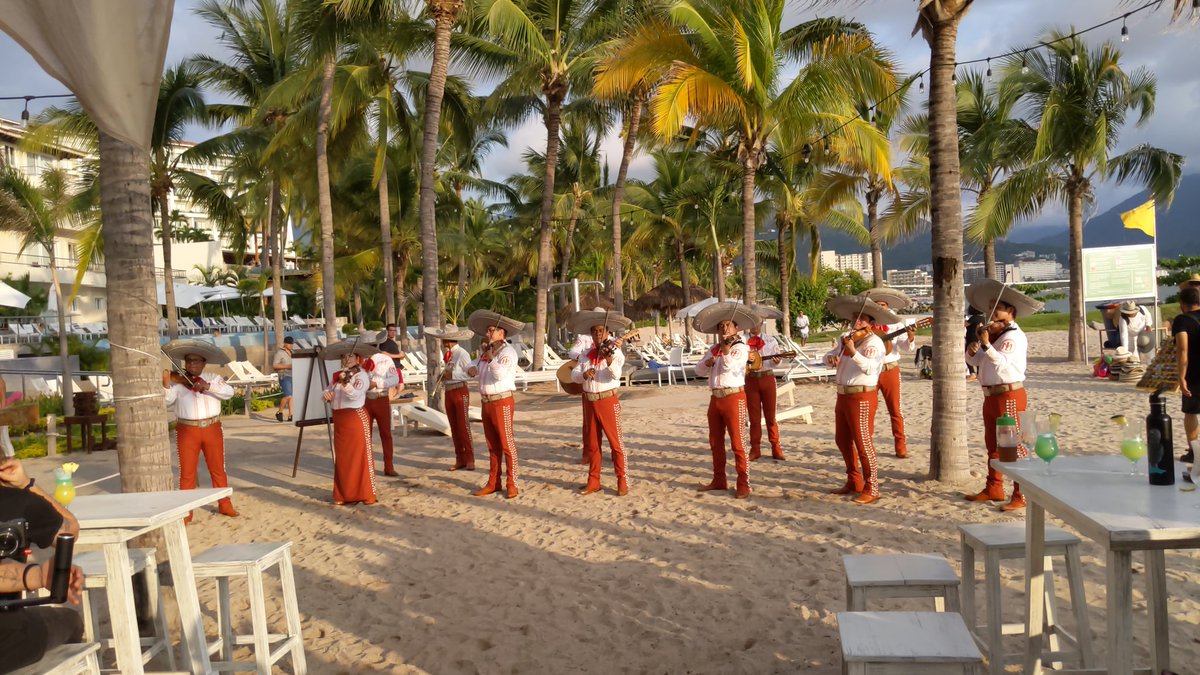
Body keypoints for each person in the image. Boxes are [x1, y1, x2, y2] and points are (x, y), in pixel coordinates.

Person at [963, 279, 1044, 512]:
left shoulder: (1013, 337)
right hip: (991, 395)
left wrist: (987, 346)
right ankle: (994, 487)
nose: (991, 314)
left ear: (1010, 312)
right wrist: (971, 351)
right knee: (993, 445)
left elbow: (1002, 365)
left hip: (1008, 394)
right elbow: (979, 362)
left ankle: (1021, 493)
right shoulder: (997, 336)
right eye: (989, 309)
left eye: (995, 309)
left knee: (1014, 446)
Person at [0, 458, 85, 673]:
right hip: (8, 637)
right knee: (72, 621)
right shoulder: (20, 501)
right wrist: (27, 484)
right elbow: (70, 530)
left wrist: (35, 575)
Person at [823, 296, 894, 505]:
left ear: (871, 323)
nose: (857, 322)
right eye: (855, 318)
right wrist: (831, 358)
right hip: (842, 393)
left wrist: (853, 351)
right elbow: (829, 355)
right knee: (842, 439)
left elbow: (871, 368)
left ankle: (872, 487)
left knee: (863, 442)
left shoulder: (874, 342)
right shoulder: (846, 337)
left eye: (862, 319)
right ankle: (853, 480)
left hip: (862, 394)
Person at [162, 341, 237, 522]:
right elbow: (167, 402)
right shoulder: (179, 382)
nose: (191, 365)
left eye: (196, 361)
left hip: (212, 427)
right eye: (188, 362)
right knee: (187, 472)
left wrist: (208, 387)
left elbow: (229, 392)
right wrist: (165, 385)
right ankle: (187, 512)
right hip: (187, 429)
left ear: (204, 363)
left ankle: (225, 505)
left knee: (218, 469)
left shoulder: (213, 377)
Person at [693, 302, 757, 499]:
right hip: (716, 397)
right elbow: (698, 371)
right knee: (715, 442)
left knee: (738, 443)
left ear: (736, 328)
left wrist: (726, 352)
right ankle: (719, 479)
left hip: (733, 396)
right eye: (721, 326)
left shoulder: (740, 348)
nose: (724, 328)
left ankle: (744, 482)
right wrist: (707, 362)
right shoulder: (714, 349)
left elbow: (730, 367)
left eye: (728, 325)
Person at [569, 310, 631, 496]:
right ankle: (593, 481)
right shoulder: (586, 353)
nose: (598, 334)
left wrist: (608, 358)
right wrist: (583, 375)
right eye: (595, 331)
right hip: (589, 400)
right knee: (593, 444)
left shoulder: (615, 351)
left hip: (607, 399)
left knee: (615, 442)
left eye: (601, 331)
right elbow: (574, 375)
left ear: (607, 333)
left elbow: (616, 375)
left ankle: (622, 480)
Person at [466, 309, 525, 499]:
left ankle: (512, 483)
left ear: (502, 333)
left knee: (507, 444)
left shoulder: (508, 352)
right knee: (492, 445)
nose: (488, 333)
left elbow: (499, 373)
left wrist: (490, 358)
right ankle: (494, 482)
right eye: (488, 330)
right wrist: (472, 368)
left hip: (502, 400)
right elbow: (470, 366)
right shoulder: (487, 353)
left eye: (492, 330)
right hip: (486, 402)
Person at [861, 288, 917, 459]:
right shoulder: (865, 323)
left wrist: (911, 337)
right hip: (870, 371)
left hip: (889, 369)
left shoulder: (896, 323)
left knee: (895, 409)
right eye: (877, 305)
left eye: (884, 305)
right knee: (869, 409)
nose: (881, 308)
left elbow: (904, 347)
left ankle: (900, 445)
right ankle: (865, 446)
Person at [322, 350, 376, 505]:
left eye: (350, 356)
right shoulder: (337, 376)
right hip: (340, 420)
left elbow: (355, 395)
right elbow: (329, 389)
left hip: (355, 418)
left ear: (358, 358)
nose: (347, 359)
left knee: (361, 457)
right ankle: (343, 494)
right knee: (343, 459)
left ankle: (367, 494)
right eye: (344, 356)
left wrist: (345, 383)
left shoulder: (361, 376)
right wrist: (326, 394)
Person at [428, 325, 476, 471]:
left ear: (448, 339)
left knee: (463, 426)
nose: (442, 342)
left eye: (443, 339)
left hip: (459, 389)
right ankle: (460, 458)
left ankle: (470, 458)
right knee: (454, 427)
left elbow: (471, 373)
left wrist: (452, 375)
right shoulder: (450, 355)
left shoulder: (462, 354)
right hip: (449, 391)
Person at [744, 306, 785, 462]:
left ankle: (776, 447)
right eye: (752, 322)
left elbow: (776, 363)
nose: (754, 325)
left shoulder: (770, 340)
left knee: (771, 416)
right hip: (751, 380)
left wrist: (777, 361)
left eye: (757, 322)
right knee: (754, 418)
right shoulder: (742, 341)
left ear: (762, 323)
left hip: (767, 378)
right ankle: (755, 448)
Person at [365, 336, 402, 477]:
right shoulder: (361, 360)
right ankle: (368, 466)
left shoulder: (385, 359)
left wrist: (377, 383)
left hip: (381, 397)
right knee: (365, 435)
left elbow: (395, 378)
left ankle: (389, 466)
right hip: (366, 399)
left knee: (386, 434)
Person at [1173, 285, 1200, 460]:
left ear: (1182, 303)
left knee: (1191, 412)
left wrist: (1181, 377)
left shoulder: (1182, 320)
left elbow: (1183, 349)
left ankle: (1194, 453)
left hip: (1194, 373)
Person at [273, 336, 294, 422]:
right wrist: (288, 366)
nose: (290, 345)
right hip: (284, 376)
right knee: (288, 395)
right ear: (284, 343)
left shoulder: (293, 352)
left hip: (293, 375)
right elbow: (275, 366)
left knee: (292, 396)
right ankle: (279, 411)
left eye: (292, 343)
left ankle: (291, 415)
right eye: (289, 343)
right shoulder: (279, 353)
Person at [964, 306, 985, 381]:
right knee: (978, 355)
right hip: (978, 339)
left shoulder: (974, 318)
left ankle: (972, 373)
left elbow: (964, 324)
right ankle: (979, 373)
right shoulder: (982, 318)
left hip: (971, 338)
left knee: (967, 354)